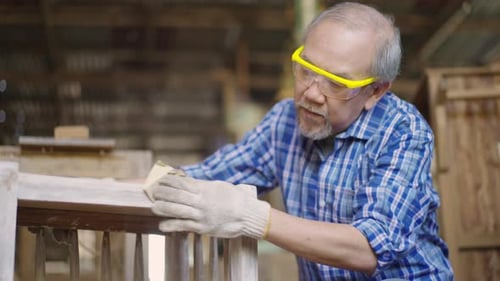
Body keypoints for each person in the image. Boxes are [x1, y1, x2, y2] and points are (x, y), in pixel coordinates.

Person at [149, 2, 454, 280]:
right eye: (306, 70)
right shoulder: (284, 121)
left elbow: (371, 248)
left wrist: (253, 216)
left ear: (375, 91)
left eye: (335, 83)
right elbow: (198, 178)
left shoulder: (402, 131)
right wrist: (118, 184)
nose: (310, 93)